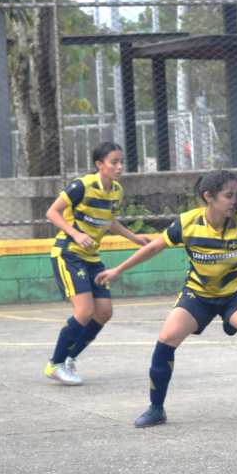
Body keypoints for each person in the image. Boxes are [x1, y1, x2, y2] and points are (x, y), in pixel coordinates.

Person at [96, 170, 237, 427]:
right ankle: (156, 407)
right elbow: (154, 247)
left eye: (236, 195)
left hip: (235, 294)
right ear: (209, 197)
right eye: (228, 196)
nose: (234, 201)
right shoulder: (187, 223)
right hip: (198, 294)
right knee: (166, 338)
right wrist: (117, 270)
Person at [42, 141, 150, 385]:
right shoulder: (82, 186)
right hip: (69, 253)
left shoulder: (117, 191)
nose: (120, 166)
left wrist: (134, 237)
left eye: (122, 161)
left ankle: (70, 359)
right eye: (114, 162)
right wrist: (76, 234)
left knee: (103, 312)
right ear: (99, 165)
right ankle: (55, 364)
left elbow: (108, 220)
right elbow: (52, 212)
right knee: (85, 311)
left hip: (92, 258)